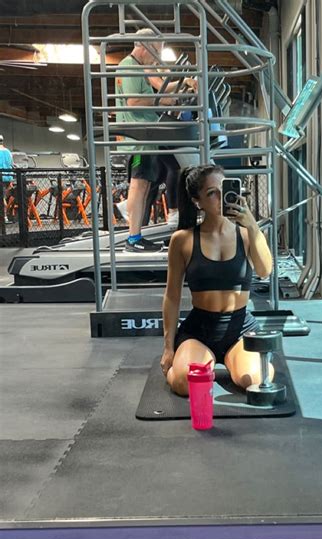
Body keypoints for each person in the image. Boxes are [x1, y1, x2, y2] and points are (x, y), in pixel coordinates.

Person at [160, 165, 274, 396]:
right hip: (199, 330)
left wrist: (252, 224)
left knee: (254, 380)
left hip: (240, 327)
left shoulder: (246, 234)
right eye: (212, 193)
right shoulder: (182, 240)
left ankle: (242, 361)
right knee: (185, 383)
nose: (221, 198)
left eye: (224, 190)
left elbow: (265, 271)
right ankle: (191, 364)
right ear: (197, 201)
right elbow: (171, 297)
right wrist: (168, 348)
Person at [115, 28, 198, 251]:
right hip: (140, 136)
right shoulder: (129, 66)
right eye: (156, 50)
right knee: (139, 184)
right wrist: (163, 102)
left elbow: (157, 90)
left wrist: (180, 88)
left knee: (149, 181)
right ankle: (133, 236)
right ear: (144, 45)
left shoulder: (138, 67)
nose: (156, 56)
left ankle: (135, 230)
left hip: (148, 134)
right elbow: (134, 102)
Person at [0, 135, 14, 223]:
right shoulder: (8, 152)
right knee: (3, 197)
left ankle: (4, 216)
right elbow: (12, 164)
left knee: (1, 198)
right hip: (8, 177)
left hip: (0, 177)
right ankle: (5, 216)